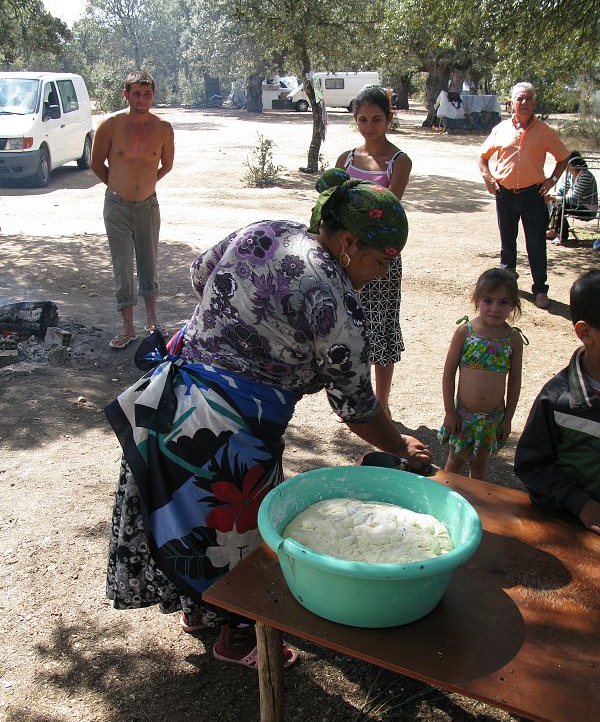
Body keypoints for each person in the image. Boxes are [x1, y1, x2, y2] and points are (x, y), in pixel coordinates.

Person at [104, 169, 433, 669]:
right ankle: (236, 638)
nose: (384, 273)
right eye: (382, 260)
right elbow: (356, 407)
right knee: (237, 535)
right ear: (348, 241)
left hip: (173, 397)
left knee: (188, 521)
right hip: (232, 429)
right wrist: (402, 445)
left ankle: (200, 612)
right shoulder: (335, 298)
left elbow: (201, 274)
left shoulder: (268, 231)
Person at [335, 85, 412, 418]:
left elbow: (389, 210)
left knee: (381, 326)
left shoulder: (399, 161)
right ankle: (355, 397)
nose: (369, 126)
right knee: (348, 326)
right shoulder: (345, 159)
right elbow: (332, 208)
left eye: (376, 119)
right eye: (363, 119)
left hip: (381, 258)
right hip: (345, 256)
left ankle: (382, 402)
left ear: (389, 119)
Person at [91, 70, 175, 349]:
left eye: (147, 94)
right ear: (126, 95)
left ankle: (152, 322)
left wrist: (145, 185)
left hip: (148, 206)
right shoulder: (110, 125)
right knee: (123, 265)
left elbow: (166, 165)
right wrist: (117, 186)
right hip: (117, 206)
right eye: (137, 94)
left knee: (149, 262)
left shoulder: (163, 128)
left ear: (153, 95)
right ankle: (128, 327)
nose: (142, 99)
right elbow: (96, 164)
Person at [514, 269, 600, 536]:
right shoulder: (558, 400)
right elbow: (531, 465)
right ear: (586, 333)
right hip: (575, 528)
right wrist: (580, 503)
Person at [478, 82, 570, 310]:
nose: (524, 103)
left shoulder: (545, 131)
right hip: (505, 194)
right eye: (520, 99)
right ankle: (507, 287)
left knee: (536, 243)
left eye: (528, 98)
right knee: (507, 243)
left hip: (533, 195)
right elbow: (482, 157)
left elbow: (563, 157)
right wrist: (488, 178)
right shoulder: (500, 130)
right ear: (512, 103)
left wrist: (552, 181)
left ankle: (540, 289)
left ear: (534, 103)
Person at [438, 268, 525, 481]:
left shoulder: (512, 339)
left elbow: (514, 382)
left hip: (492, 418)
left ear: (514, 304)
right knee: (455, 462)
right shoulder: (465, 332)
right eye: (488, 300)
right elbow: (448, 373)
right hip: (462, 416)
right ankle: (447, 503)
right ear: (477, 299)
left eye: (504, 302)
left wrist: (507, 419)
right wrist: (450, 411)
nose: (495, 308)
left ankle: (474, 506)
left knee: (479, 466)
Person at [546, 151, 598, 243]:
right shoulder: (570, 175)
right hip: (578, 205)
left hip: (587, 209)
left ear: (573, 164)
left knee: (561, 205)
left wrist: (554, 198)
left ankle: (561, 235)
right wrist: (554, 197)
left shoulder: (585, 176)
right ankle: (554, 230)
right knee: (557, 202)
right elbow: (562, 191)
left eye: (567, 163)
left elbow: (574, 199)